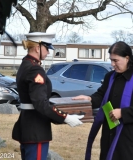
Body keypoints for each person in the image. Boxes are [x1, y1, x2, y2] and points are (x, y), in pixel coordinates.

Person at [73, 41, 133, 160]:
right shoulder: (110, 76)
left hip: (130, 141)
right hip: (109, 135)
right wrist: (90, 99)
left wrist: (123, 113)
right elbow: (102, 95)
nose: (112, 64)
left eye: (116, 60)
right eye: (111, 60)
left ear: (127, 58)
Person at [12, 32, 84, 160]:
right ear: (38, 48)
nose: (49, 52)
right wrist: (65, 117)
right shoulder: (35, 69)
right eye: (47, 48)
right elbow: (40, 103)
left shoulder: (26, 65)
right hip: (36, 128)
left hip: (27, 126)